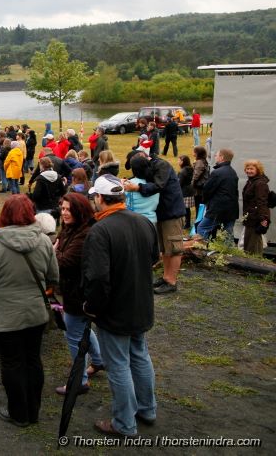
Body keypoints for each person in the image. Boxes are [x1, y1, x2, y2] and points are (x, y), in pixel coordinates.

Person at [83, 174, 159, 437]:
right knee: (139, 355)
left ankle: (125, 423)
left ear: (100, 198)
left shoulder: (100, 230)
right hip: (140, 303)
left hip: (115, 309)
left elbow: (97, 277)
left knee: (118, 364)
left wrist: (93, 307)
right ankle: (147, 409)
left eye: (95, 197)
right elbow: (153, 258)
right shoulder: (143, 222)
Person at [0, 195, 59, 427]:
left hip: (5, 316)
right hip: (35, 313)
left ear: (5, 214)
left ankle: (19, 413)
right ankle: (33, 410)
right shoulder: (44, 242)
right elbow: (54, 276)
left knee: (12, 362)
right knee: (32, 359)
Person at [54, 193, 103, 395]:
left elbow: (65, 262)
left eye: (69, 209)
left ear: (79, 210)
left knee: (73, 333)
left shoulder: (85, 234)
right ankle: (99, 360)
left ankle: (79, 381)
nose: (64, 213)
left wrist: (53, 251)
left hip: (79, 293)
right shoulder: (69, 228)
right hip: (71, 290)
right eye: (63, 209)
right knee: (79, 329)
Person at [124, 155, 185, 295]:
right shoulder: (150, 168)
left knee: (174, 248)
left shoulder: (162, 165)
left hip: (172, 212)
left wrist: (137, 187)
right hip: (162, 213)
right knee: (165, 249)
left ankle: (171, 282)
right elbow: (143, 178)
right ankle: (166, 277)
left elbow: (158, 185)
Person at [196, 148, 238, 242]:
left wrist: (205, 202)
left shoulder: (217, 172)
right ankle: (228, 250)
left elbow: (207, 190)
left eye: (216, 155)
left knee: (202, 228)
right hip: (231, 209)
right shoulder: (233, 172)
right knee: (227, 233)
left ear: (221, 157)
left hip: (218, 209)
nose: (215, 157)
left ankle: (201, 249)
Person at [241, 159, 270, 256]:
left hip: (256, 218)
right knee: (249, 243)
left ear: (258, 170)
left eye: (252, 169)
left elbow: (262, 202)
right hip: (250, 217)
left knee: (253, 245)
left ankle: (254, 262)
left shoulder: (259, 183)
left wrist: (263, 219)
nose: (249, 171)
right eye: (247, 169)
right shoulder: (251, 181)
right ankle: (251, 261)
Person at [178, 155, 195, 231]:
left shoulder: (182, 171)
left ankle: (186, 224)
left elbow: (180, 183)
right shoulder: (190, 169)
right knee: (187, 209)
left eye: (179, 160)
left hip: (184, 192)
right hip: (190, 191)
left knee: (184, 209)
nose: (178, 161)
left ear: (183, 162)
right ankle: (187, 223)